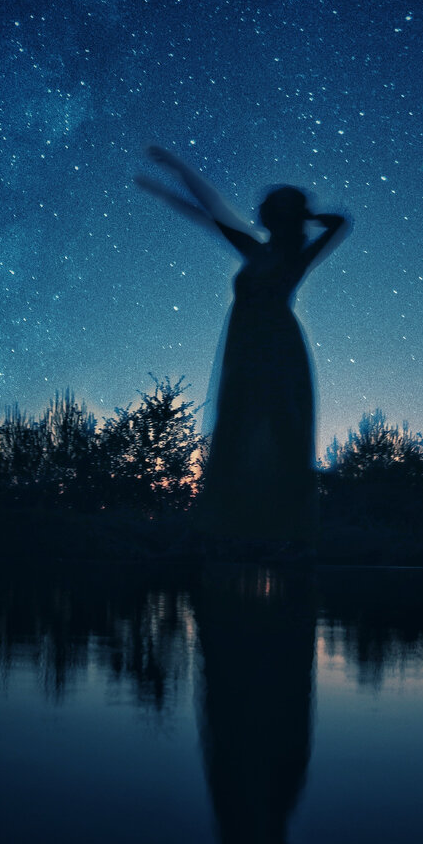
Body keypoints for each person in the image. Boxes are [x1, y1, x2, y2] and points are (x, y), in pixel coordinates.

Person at [135, 146, 349, 550]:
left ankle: (290, 534)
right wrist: (176, 175)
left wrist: (308, 216)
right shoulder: (257, 251)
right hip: (245, 350)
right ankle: (222, 531)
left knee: (282, 430)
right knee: (235, 427)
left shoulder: (294, 257)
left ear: (281, 217)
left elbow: (340, 223)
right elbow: (211, 213)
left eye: (270, 209)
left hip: (277, 349)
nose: (260, 213)